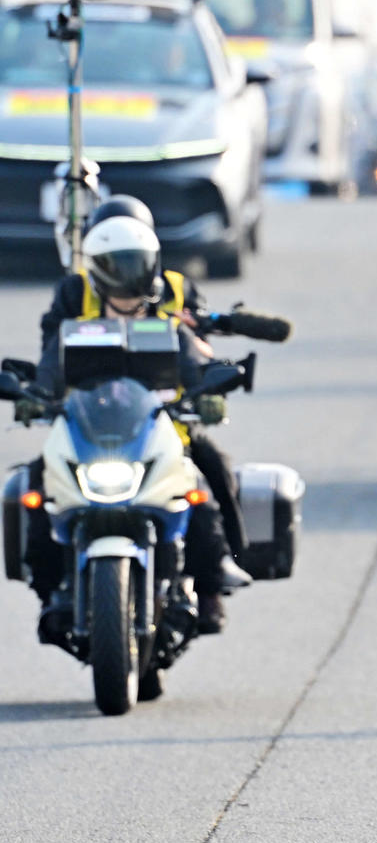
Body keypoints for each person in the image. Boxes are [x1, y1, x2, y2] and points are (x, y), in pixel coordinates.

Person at [26, 196, 250, 634]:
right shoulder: (74, 295)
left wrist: (209, 388)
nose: (126, 277)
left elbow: (196, 359)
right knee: (35, 487)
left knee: (206, 480)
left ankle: (215, 577)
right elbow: (51, 359)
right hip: (89, 420)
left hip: (161, 421)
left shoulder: (170, 308)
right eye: (116, 264)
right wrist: (34, 395)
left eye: (135, 263)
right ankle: (48, 589)